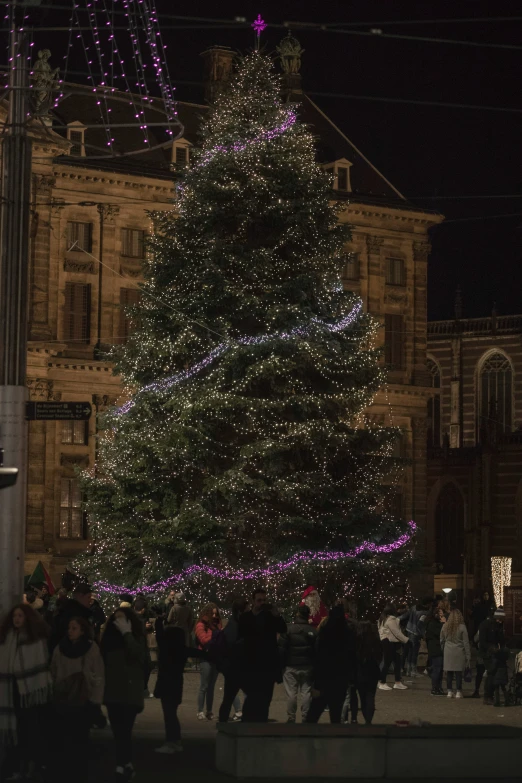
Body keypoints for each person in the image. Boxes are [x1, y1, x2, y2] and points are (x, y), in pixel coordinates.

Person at [0, 604, 53, 781]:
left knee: (31, 729)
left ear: (27, 618)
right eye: (15, 615)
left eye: (21, 616)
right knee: (17, 729)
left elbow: (39, 662)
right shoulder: (7, 638)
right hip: (11, 690)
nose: (17, 619)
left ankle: (32, 765)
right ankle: (17, 767)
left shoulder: (34, 639)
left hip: (30, 691)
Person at [50, 616, 105, 782]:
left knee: (80, 739)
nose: (70, 631)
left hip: (82, 700)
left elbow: (98, 674)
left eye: (74, 628)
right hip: (64, 699)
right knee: (65, 739)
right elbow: (53, 670)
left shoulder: (90, 648)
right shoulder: (61, 648)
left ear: (82, 630)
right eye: (69, 628)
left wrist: (95, 700)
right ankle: (67, 773)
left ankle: (79, 774)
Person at [101, 607, 148, 781]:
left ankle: (122, 765)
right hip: (113, 692)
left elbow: (137, 654)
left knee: (124, 730)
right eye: (116, 620)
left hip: (129, 693)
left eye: (123, 619)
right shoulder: (109, 640)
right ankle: (125, 763)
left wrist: (127, 633)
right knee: (118, 731)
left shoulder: (135, 637)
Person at [153, 614, 204, 754]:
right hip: (176, 683)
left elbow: (160, 636)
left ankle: (172, 741)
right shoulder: (181, 650)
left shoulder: (165, 649)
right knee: (172, 714)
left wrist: (159, 620)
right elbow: (200, 653)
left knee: (169, 714)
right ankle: (175, 741)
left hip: (165, 683)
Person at [238, 588, 287, 722]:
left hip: (267, 665)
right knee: (252, 696)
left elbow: (283, 629)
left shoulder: (270, 617)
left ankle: (261, 724)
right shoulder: (246, 618)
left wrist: (277, 615)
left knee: (265, 699)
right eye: (259, 600)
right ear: (253, 601)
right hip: (251, 664)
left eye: (264, 600)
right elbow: (240, 637)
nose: (262, 603)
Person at [306, 605, 356, 723]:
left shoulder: (325, 632)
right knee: (336, 715)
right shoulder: (347, 633)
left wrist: (315, 681)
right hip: (340, 679)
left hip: (324, 679)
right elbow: (351, 657)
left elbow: (319, 658)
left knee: (313, 715)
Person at [278, 604, 317, 723]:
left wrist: (281, 665)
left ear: (298, 614)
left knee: (291, 693)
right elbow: (316, 650)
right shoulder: (313, 631)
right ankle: (305, 717)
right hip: (307, 666)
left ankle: (291, 717)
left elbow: (281, 649)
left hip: (291, 665)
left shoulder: (289, 629)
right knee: (306, 693)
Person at [218, 597, 249, 723]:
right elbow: (232, 647)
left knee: (229, 698)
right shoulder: (234, 626)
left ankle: (224, 721)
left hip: (235, 668)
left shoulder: (235, 625)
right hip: (235, 668)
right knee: (229, 698)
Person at [195, 603, 222, 720]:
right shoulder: (201, 625)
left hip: (215, 657)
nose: (215, 616)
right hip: (205, 657)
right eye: (213, 613)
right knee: (204, 686)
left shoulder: (217, 625)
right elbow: (203, 640)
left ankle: (209, 711)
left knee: (211, 686)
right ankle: (200, 710)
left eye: (216, 613)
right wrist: (216, 636)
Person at [49, 583, 93, 652]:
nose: (90, 600)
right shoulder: (74, 614)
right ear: (80, 596)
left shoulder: (70, 610)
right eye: (88, 597)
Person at [355, 621, 382, 725]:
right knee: (370, 695)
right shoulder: (375, 641)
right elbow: (379, 655)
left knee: (362, 697)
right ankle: (368, 720)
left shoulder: (357, 641)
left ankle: (366, 717)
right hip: (372, 670)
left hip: (360, 671)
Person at [440, 609, 471, 699]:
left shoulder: (445, 626)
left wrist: (443, 649)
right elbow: (466, 642)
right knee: (458, 672)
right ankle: (458, 691)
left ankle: (449, 691)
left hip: (448, 651)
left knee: (449, 672)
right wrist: (468, 655)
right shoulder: (462, 627)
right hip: (459, 651)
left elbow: (441, 639)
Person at [377, 604, 408, 691]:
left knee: (396, 662)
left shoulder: (382, 619)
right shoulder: (391, 620)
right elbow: (396, 632)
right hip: (390, 642)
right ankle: (383, 682)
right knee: (388, 662)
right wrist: (406, 640)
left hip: (387, 641)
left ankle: (397, 682)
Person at [479, 606, 505, 705]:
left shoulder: (498, 626)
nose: (500, 621)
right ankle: (487, 695)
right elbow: (483, 641)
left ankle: (491, 694)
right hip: (487, 653)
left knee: (494, 673)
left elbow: (501, 640)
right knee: (491, 673)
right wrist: (491, 648)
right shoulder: (485, 625)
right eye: (499, 619)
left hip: (494, 652)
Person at [400, 598, 430, 677]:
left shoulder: (413, 607)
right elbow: (420, 624)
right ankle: (413, 671)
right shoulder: (424, 613)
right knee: (414, 652)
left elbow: (405, 615)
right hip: (416, 633)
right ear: (427, 604)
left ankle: (409, 671)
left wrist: (396, 619)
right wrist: (423, 634)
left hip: (409, 630)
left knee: (410, 651)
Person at [424, 603, 445, 695]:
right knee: (437, 669)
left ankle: (439, 687)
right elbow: (440, 633)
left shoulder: (435, 623)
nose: (441, 616)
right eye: (440, 614)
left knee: (440, 670)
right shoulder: (432, 623)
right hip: (435, 649)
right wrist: (443, 623)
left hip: (438, 649)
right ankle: (434, 688)